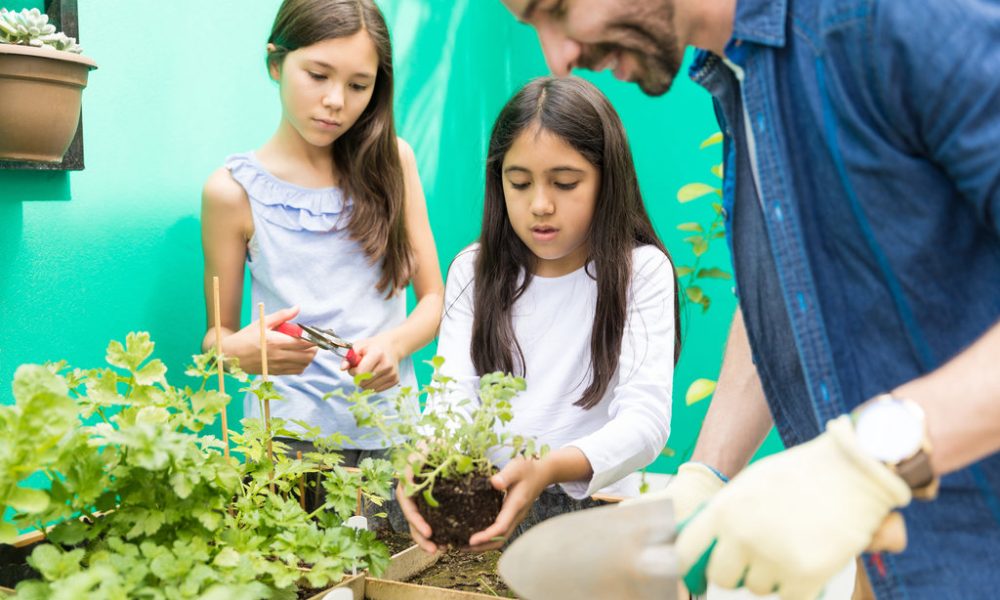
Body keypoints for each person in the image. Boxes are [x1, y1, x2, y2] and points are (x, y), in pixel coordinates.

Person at [498, 0, 1000, 598]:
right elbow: (794, 287)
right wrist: (706, 475)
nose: (560, 58)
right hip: (905, 560)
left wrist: (872, 456)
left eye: (556, 9)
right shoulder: (741, 77)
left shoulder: (887, 20)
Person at [398, 75, 681, 554]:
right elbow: (451, 400)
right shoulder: (474, 269)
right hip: (487, 519)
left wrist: (549, 467)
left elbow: (646, 422)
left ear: (606, 180)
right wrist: (425, 458)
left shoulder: (641, 271)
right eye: (520, 183)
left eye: (565, 182)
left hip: (601, 523)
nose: (540, 205)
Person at [200, 0, 444, 476]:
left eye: (359, 85)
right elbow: (216, 338)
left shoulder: (394, 163)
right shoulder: (232, 192)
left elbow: (434, 299)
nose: (337, 100)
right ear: (276, 63)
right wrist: (242, 352)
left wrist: (394, 345)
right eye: (318, 75)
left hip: (390, 430)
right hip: (286, 440)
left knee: (396, 550)